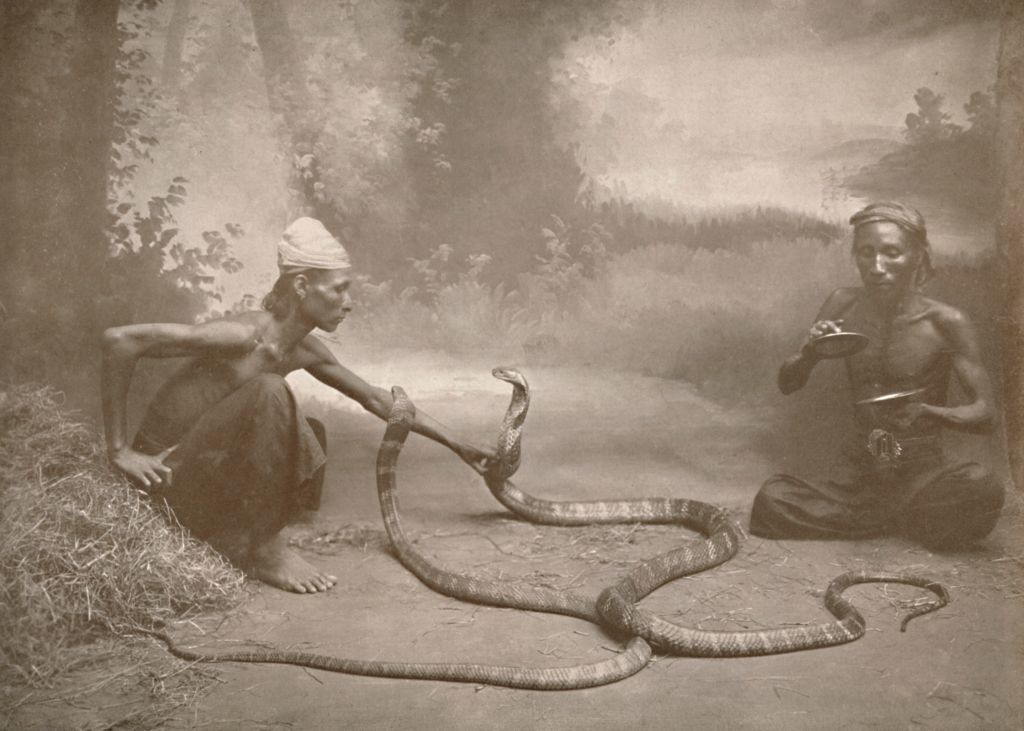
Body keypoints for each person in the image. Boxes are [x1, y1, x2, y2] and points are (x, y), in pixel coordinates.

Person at [102, 217, 497, 593]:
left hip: (200, 480)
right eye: (339, 290)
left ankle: (238, 531)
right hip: (160, 485)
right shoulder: (241, 335)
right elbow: (120, 341)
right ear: (303, 285)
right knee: (270, 391)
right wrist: (120, 451)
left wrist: (459, 443)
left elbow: (375, 398)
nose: (348, 303)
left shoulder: (303, 349)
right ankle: (265, 551)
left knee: (310, 430)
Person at [750, 201, 1005, 550]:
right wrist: (811, 352)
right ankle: (901, 519)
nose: (876, 267)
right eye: (866, 253)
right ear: (855, 256)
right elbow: (788, 383)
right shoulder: (843, 303)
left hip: (921, 472)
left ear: (917, 256)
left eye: (891, 253)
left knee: (981, 486)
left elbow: (986, 414)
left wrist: (930, 412)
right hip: (861, 472)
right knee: (772, 499)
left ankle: (874, 518)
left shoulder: (946, 322)